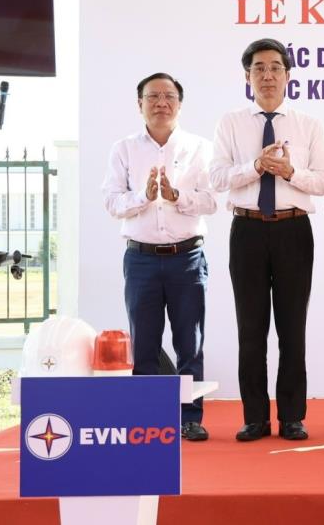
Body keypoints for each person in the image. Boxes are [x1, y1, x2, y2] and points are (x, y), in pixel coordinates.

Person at [209, 38, 324, 442]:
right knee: (251, 329)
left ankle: (292, 417)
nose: (267, 75)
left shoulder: (308, 124)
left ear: (287, 75)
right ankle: (255, 417)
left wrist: (290, 172)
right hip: (246, 230)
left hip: (293, 230)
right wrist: (256, 166)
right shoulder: (230, 123)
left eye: (275, 67)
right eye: (258, 68)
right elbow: (217, 178)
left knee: (292, 329)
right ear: (247, 76)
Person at [102, 72, 217, 441]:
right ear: (140, 104)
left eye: (169, 96)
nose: (161, 103)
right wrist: (145, 196)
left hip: (187, 258)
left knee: (189, 343)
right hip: (141, 259)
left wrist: (176, 195)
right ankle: (149, 419)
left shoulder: (200, 148)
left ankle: (189, 418)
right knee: (145, 344)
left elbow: (211, 201)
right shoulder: (124, 149)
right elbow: (111, 202)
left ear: (180, 104)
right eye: (153, 96)